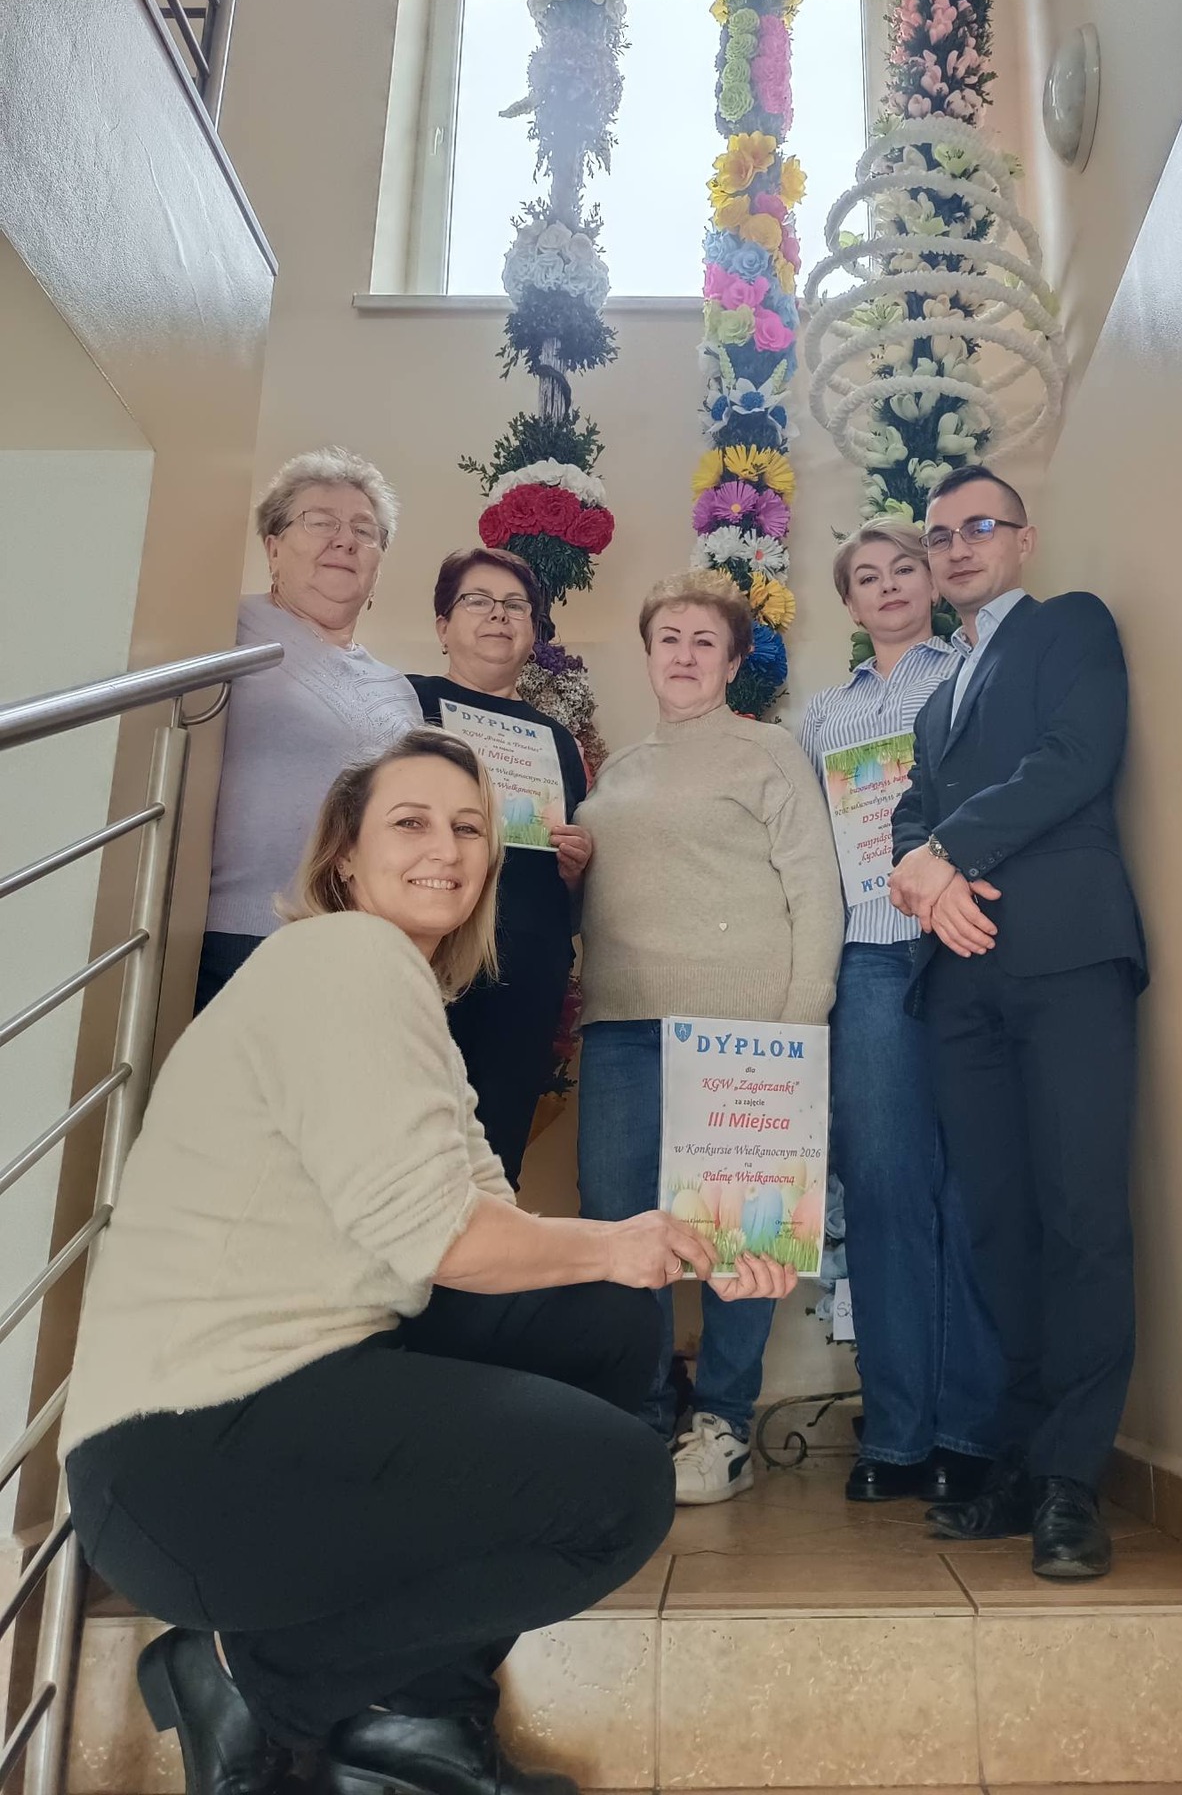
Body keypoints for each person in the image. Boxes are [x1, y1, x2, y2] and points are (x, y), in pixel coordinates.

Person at [62, 728, 796, 1795]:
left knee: (601, 1316)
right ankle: (249, 1678)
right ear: (344, 856)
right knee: (617, 1494)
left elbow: (488, 1223)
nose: (446, 848)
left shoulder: (397, 993)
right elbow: (441, 1240)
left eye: (469, 828)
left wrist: (692, 1245)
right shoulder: (342, 959)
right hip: (185, 1457)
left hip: (254, 1420)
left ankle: (416, 1727)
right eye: (410, 822)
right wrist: (622, 1242)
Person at [889, 464, 1146, 1579]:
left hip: (1067, 959)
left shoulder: (1071, 627)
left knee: (1081, 1213)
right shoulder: (935, 700)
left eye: (978, 526)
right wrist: (927, 872)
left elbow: (1075, 758)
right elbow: (910, 816)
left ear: (1023, 540)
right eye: (940, 533)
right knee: (997, 1224)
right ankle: (1026, 1454)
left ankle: (1071, 1483)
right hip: (961, 987)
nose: (956, 546)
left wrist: (947, 853)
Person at [574, 571, 844, 1506]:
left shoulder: (769, 751)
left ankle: (723, 1422)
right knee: (621, 1227)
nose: (685, 655)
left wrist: (802, 1021)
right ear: (648, 654)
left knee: (742, 1234)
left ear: (732, 664)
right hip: (621, 1025)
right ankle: (644, 1419)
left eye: (705, 642)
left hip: (746, 1030)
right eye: (669, 639)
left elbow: (816, 890)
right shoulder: (617, 771)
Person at [799, 521, 1002, 1506]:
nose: (887, 587)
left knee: (970, 1190)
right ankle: (897, 1434)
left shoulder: (972, 674)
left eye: (903, 570)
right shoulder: (821, 716)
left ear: (930, 581)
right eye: (867, 577)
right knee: (883, 1189)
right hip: (869, 958)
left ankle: (970, 1432)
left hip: (965, 944)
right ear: (849, 603)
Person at [195, 447, 421, 1011]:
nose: (344, 541)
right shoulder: (221, 627)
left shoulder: (397, 689)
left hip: (360, 949)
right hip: (235, 939)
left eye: (364, 531)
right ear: (273, 547)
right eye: (321, 522)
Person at [409, 546, 592, 1183]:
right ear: (443, 625)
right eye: (478, 601)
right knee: (407, 1150)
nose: (499, 615)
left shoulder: (557, 741)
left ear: (533, 633)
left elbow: (570, 892)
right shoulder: (406, 706)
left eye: (516, 606)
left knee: (493, 1160)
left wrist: (576, 869)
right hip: (425, 961)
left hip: (524, 971)